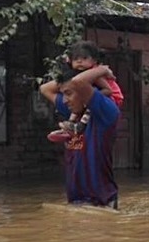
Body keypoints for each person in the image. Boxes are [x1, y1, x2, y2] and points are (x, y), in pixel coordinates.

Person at [39, 63, 120, 208]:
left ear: (86, 91)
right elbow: (45, 89)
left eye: (68, 93)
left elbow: (78, 82)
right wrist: (69, 78)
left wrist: (102, 70)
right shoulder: (73, 111)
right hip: (76, 204)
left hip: (101, 204)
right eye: (63, 93)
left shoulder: (105, 112)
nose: (64, 100)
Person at [47, 41, 123, 142]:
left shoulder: (94, 74)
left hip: (112, 98)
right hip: (95, 98)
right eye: (76, 59)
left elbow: (108, 90)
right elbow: (45, 88)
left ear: (94, 60)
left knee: (89, 107)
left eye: (84, 58)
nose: (79, 62)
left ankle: (78, 125)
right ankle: (70, 125)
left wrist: (89, 98)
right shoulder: (79, 77)